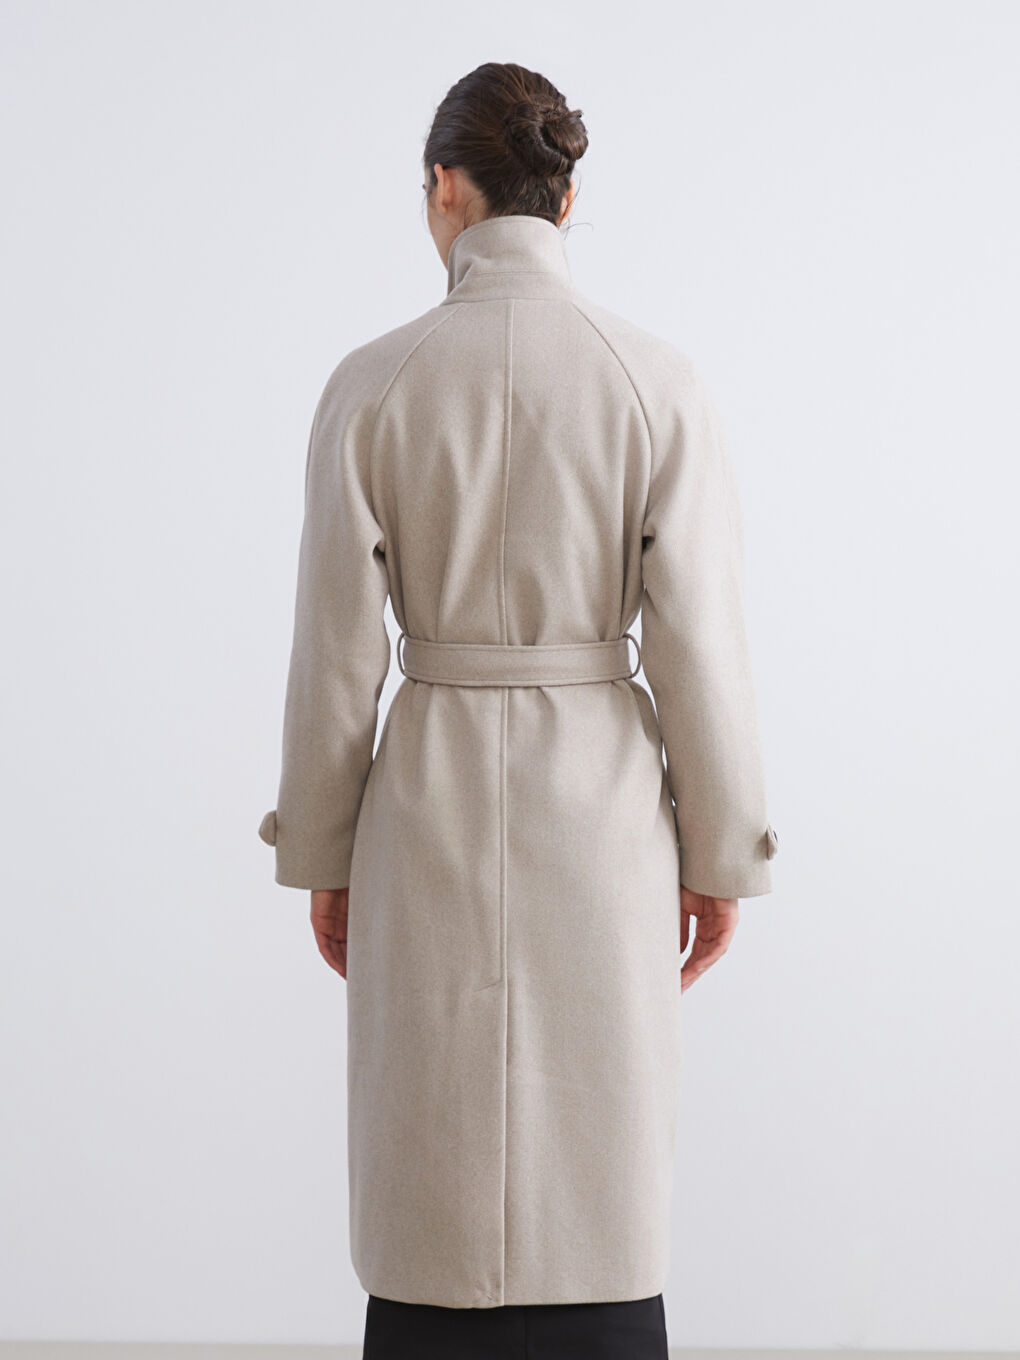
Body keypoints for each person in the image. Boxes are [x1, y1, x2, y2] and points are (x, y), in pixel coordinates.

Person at [258, 61, 779, 1360]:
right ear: (566, 194)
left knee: (430, 1137)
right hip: (601, 804)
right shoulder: (653, 380)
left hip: (428, 795)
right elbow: (701, 643)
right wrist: (721, 852)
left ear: (446, 186)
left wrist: (323, 853)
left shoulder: (373, 383)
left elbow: (336, 654)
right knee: (600, 1135)